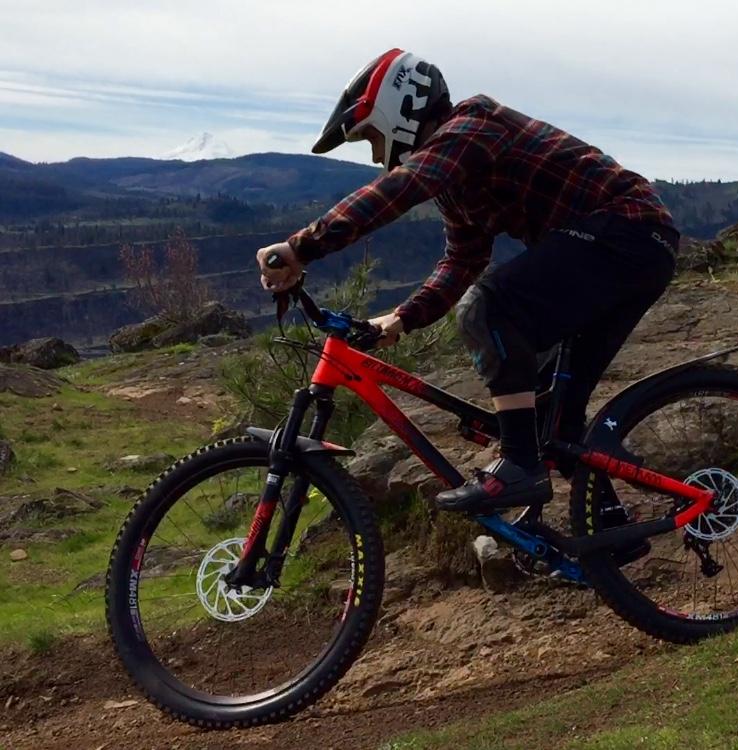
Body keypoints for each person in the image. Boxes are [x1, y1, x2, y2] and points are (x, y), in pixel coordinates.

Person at [256, 48, 678, 513]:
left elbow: (405, 186)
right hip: (631, 249)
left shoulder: (472, 126)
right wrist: (403, 317)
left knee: (488, 308)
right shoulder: (459, 180)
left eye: (373, 137)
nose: (378, 155)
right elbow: (463, 258)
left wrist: (303, 246)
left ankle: (519, 468)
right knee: (549, 414)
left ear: (403, 112)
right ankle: (611, 535)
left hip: (625, 231)